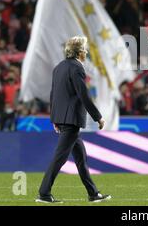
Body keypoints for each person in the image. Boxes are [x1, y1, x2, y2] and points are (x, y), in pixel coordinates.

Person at [37, 36, 111, 204]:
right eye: (85, 49)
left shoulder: (58, 68)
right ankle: (44, 193)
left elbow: (53, 94)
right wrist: (98, 117)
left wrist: (54, 118)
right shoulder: (77, 68)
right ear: (79, 52)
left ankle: (93, 193)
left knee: (80, 158)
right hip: (71, 120)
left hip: (62, 118)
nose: (86, 52)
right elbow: (83, 95)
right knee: (60, 157)